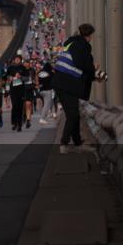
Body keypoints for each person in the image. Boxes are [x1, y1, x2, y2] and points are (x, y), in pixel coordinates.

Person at [53, 23, 96, 152]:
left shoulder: (71, 43)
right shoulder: (82, 46)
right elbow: (81, 64)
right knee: (73, 115)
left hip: (60, 82)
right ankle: (64, 144)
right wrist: (93, 72)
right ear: (88, 36)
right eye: (91, 36)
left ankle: (77, 143)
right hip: (67, 83)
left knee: (74, 114)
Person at [6, 55, 26, 132]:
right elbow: (5, 76)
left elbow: (27, 78)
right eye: (16, 59)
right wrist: (9, 78)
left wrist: (20, 77)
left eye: (18, 59)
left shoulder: (23, 68)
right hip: (13, 90)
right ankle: (14, 123)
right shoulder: (10, 68)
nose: (17, 60)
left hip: (21, 90)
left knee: (20, 107)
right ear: (14, 60)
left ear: (20, 60)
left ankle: (20, 125)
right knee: (14, 106)